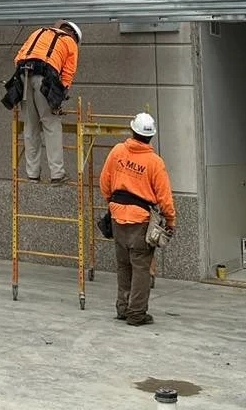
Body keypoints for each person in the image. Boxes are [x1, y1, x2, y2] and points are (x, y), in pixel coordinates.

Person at [99, 112, 175, 325]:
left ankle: (123, 308)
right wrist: (170, 221)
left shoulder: (117, 152)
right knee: (141, 267)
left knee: (123, 264)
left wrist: (113, 204)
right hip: (140, 221)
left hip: (117, 216)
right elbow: (164, 197)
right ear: (150, 137)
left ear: (132, 131)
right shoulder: (154, 162)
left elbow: (104, 182)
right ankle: (136, 313)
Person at [11, 20, 81, 184]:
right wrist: (59, 96)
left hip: (22, 76)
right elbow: (68, 74)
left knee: (30, 126)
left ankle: (32, 174)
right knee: (51, 124)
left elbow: (18, 58)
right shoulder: (70, 42)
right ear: (74, 35)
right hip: (45, 78)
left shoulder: (38, 31)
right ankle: (57, 174)